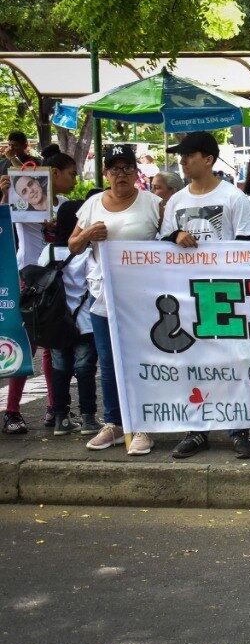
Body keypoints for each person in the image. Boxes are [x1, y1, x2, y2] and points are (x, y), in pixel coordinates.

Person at [160, 131, 250, 460]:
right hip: (185, 295)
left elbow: (245, 246)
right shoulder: (176, 201)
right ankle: (196, 430)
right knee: (192, 363)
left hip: (224, 294)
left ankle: (238, 430)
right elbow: (162, 240)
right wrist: (176, 235)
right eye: (182, 156)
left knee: (233, 362)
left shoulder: (234, 198)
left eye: (189, 155)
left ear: (208, 159)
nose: (183, 161)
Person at [68, 145, 163, 455]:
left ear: (136, 172)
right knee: (108, 363)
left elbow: (171, 242)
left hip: (144, 298)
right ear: (105, 173)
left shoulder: (154, 204)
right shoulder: (92, 205)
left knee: (142, 360)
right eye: (114, 169)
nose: (121, 174)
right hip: (104, 298)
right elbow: (73, 245)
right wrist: (87, 235)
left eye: (127, 168)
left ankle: (144, 425)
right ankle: (114, 423)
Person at [0, 149, 79, 433]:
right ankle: (12, 411)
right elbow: (4, 223)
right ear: (54, 173)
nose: (74, 179)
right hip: (29, 279)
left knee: (52, 346)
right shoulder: (19, 203)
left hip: (57, 279)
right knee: (27, 345)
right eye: (71, 174)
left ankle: (54, 408)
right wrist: (4, 195)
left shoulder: (66, 205)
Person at [46, 201, 98, 436]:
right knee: (85, 370)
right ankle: (88, 420)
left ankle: (61, 420)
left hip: (56, 323)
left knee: (59, 370)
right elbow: (94, 284)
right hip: (84, 322)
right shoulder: (87, 254)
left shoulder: (47, 252)